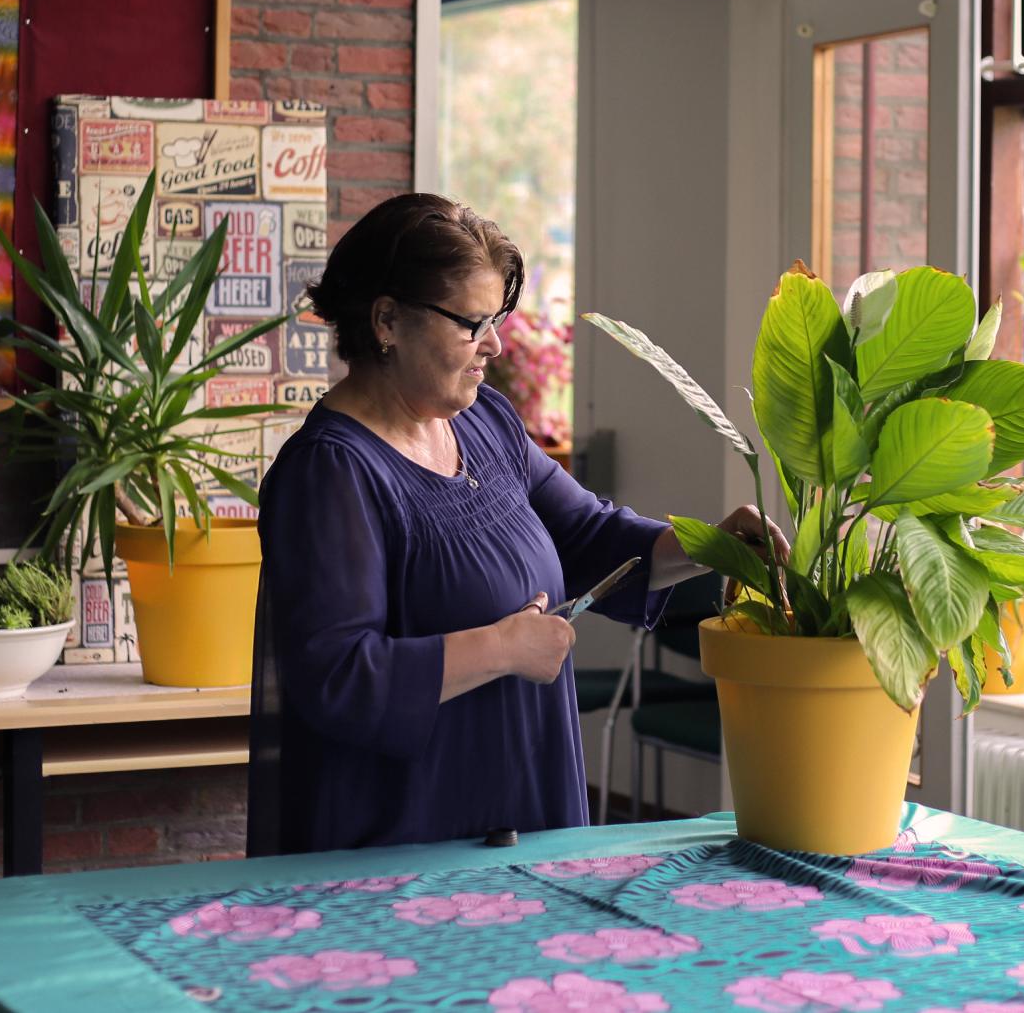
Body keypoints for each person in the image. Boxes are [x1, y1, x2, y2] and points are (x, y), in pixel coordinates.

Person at [248, 194, 786, 856]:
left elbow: (587, 535)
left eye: (497, 318)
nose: (495, 345)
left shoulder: (485, 420)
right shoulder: (330, 473)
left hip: (523, 818)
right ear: (386, 320)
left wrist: (714, 546)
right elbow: (338, 677)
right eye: (472, 323)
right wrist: (503, 648)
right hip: (406, 849)